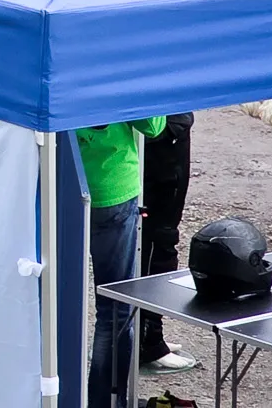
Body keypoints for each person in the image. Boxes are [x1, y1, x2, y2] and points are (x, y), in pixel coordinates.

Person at [78, 115, 167, 408]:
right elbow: (153, 126)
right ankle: (106, 402)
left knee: (58, 304)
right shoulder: (117, 66)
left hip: (64, 183)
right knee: (114, 311)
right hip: (113, 189)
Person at [138, 113, 200, 373]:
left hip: (170, 160)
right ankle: (147, 342)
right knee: (153, 249)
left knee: (162, 245)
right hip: (156, 164)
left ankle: (150, 335)